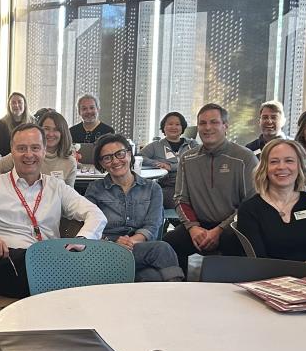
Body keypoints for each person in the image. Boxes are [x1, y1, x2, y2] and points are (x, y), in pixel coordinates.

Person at [0, 122, 106, 297]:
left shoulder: (56, 187)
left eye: (35, 148)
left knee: (84, 268)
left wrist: (83, 239)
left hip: (50, 259)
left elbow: (96, 214)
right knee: (12, 268)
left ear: (44, 151)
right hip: (10, 262)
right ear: (12, 151)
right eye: (22, 148)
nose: (29, 154)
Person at [164, 103, 257, 275]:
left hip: (234, 226)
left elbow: (251, 205)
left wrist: (219, 230)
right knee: (168, 243)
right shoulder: (187, 159)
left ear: (225, 126)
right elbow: (180, 199)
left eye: (214, 122)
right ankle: (178, 289)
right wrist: (193, 228)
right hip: (198, 225)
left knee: (240, 245)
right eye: (202, 123)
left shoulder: (245, 158)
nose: (207, 128)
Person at [234, 139, 306, 275]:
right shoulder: (250, 209)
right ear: (264, 167)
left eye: (289, 161)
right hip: (272, 285)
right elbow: (260, 263)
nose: (281, 167)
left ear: (300, 166)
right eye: (274, 161)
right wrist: (305, 270)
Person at [87, 134, 183, 282]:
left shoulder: (152, 189)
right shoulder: (95, 189)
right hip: (106, 249)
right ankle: (178, 293)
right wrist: (113, 243)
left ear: (130, 154)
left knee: (151, 277)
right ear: (102, 163)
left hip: (139, 247)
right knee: (161, 249)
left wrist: (130, 242)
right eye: (107, 158)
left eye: (120, 154)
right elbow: (90, 225)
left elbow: (152, 225)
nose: (115, 161)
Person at [0, 109, 77, 187]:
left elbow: (69, 197)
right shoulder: (25, 155)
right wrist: (8, 184)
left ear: (63, 133)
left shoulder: (69, 162)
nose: (50, 134)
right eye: (46, 129)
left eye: (56, 130)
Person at [140, 112, 194, 208]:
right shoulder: (155, 145)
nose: (174, 127)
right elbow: (139, 157)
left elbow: (196, 161)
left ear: (182, 127)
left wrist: (170, 167)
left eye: (177, 124)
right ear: (163, 127)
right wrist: (155, 163)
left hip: (191, 187)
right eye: (170, 124)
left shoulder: (192, 144)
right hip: (169, 187)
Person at [0, 92, 29, 156]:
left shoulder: (33, 123)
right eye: (13, 103)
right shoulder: (1, 124)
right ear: (9, 106)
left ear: (25, 104)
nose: (16, 105)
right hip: (6, 162)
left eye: (20, 102)